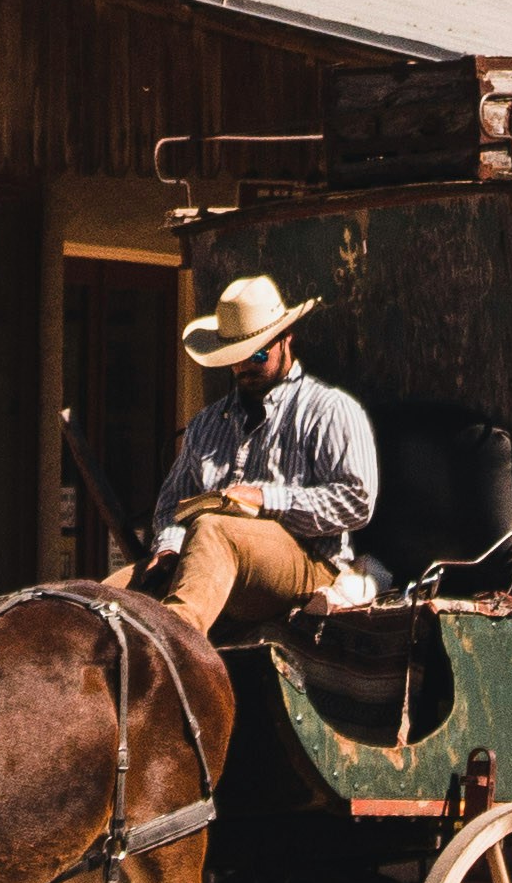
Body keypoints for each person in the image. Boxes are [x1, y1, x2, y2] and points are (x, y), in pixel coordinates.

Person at [119, 271, 380, 636]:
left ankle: (173, 646)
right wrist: (169, 549)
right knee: (109, 599)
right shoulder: (207, 423)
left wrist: (264, 499)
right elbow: (170, 506)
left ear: (286, 340)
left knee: (213, 529)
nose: (245, 367)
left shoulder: (328, 409)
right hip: (208, 556)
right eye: (235, 358)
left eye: (257, 353)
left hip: (308, 561)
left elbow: (356, 501)